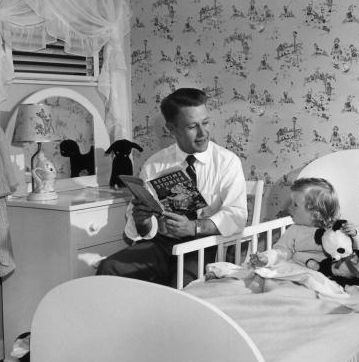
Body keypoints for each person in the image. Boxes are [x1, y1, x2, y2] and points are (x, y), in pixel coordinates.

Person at [96, 87, 248, 286]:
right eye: (192, 126)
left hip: (205, 246)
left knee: (182, 287)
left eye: (206, 123)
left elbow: (237, 215)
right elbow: (142, 231)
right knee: (109, 267)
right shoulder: (155, 164)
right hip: (162, 245)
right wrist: (143, 220)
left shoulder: (227, 162)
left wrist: (194, 227)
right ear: (171, 129)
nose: (203, 133)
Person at [251, 177, 359, 268]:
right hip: (299, 269)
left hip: (328, 271)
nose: (289, 208)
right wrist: (267, 258)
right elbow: (281, 251)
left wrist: (355, 235)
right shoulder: (295, 230)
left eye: (295, 205)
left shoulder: (338, 228)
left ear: (315, 214)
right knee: (270, 280)